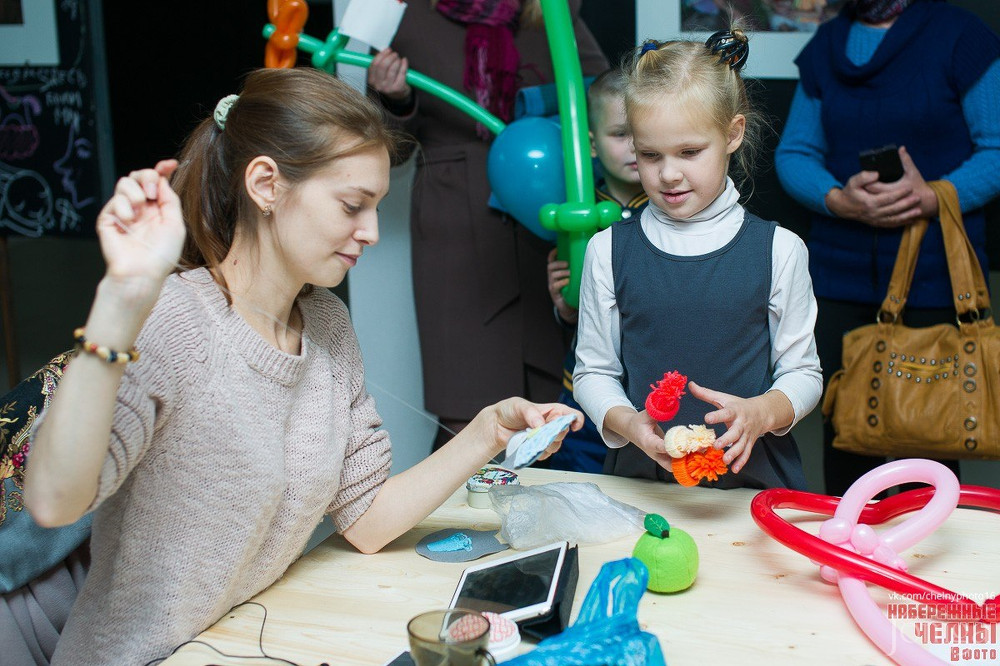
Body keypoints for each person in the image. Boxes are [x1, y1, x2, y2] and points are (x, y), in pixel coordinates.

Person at [21, 68, 582, 665]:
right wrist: (122, 298)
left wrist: (488, 430)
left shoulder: (327, 327)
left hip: (237, 646)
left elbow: (366, 519)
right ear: (266, 184)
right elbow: (55, 502)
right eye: (352, 205)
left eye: (376, 207)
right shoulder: (175, 318)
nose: (369, 233)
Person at [573, 32, 823, 490]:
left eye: (689, 152)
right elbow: (593, 371)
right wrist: (628, 424)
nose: (668, 173)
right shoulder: (606, 250)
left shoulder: (780, 249)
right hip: (643, 484)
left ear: (732, 134)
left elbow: (803, 372)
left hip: (755, 487)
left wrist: (763, 411)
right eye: (649, 155)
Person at [774, 0, 1000, 496]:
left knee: (931, 435)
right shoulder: (826, 45)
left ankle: (924, 565)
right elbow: (794, 153)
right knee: (846, 435)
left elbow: (996, 149)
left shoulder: (962, 36)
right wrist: (838, 199)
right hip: (838, 274)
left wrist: (934, 195)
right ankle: (848, 560)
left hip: (935, 272)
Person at [366, 0, 607, 449]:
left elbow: (601, 94)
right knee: (464, 389)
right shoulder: (414, 15)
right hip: (456, 218)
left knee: (549, 389)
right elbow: (387, 149)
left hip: (541, 210)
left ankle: (542, 505)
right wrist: (393, 99)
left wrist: (530, 107)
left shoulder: (552, 10)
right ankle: (455, 508)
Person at [545, 68, 647, 474]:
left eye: (644, 133)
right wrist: (563, 306)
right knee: (579, 483)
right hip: (582, 390)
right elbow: (573, 313)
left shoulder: (672, 208)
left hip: (648, 392)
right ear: (591, 143)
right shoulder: (578, 215)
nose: (636, 147)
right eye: (621, 134)